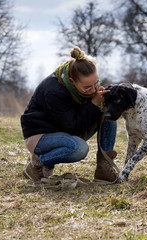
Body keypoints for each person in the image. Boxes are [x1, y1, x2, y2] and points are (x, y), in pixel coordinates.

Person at [20, 46, 118, 182]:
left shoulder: (84, 87)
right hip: (40, 136)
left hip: (64, 130)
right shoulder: (53, 90)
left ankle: (103, 168)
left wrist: (103, 102)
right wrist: (94, 103)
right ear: (72, 81)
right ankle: (37, 164)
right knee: (79, 149)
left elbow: (79, 120)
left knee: (108, 113)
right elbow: (72, 127)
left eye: (96, 83)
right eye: (88, 87)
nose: (93, 90)